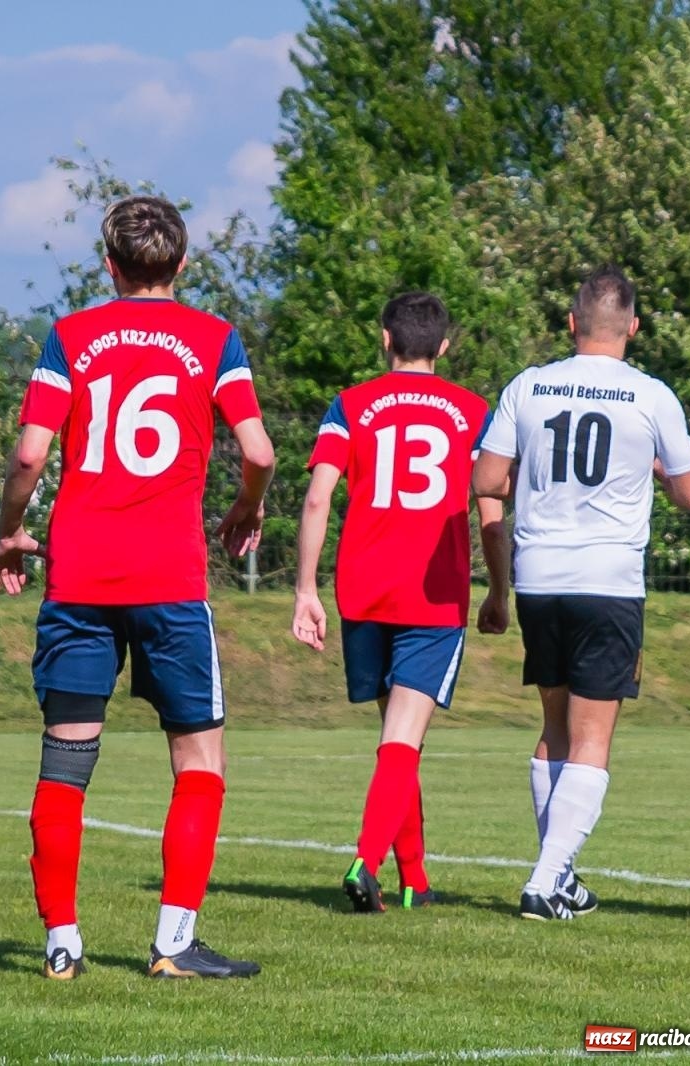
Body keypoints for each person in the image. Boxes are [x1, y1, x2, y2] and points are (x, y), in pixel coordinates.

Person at [0, 195, 275, 980]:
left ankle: (60, 946)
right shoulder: (214, 337)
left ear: (107, 265)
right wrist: (245, 508)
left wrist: (12, 531)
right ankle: (174, 944)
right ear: (182, 264)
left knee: (66, 759)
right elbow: (259, 449)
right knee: (199, 759)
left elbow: (27, 459)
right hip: (170, 580)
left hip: (79, 577)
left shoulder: (72, 336)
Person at [473, 265, 690, 920]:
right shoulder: (651, 395)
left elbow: (489, 480)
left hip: (540, 579)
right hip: (607, 582)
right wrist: (659, 468)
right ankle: (545, 882)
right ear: (632, 327)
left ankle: (563, 876)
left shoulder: (529, 385)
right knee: (593, 737)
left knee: (553, 727)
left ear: (572, 323)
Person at [290, 292, 511, 912]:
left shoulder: (351, 405)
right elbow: (490, 513)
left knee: (397, 737)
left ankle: (414, 879)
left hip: (363, 588)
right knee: (403, 740)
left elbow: (316, 500)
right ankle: (367, 858)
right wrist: (498, 590)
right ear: (444, 346)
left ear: (384, 339)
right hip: (432, 596)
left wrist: (306, 589)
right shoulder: (472, 412)